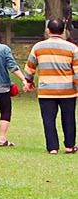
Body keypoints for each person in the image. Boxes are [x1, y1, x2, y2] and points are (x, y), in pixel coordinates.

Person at [24, 17, 78, 154]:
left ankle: (52, 147)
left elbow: (29, 67)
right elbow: (77, 72)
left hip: (46, 90)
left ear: (48, 31)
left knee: (48, 119)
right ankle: (70, 146)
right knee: (69, 118)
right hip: (68, 91)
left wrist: (29, 82)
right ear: (63, 31)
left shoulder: (38, 47)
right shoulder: (72, 48)